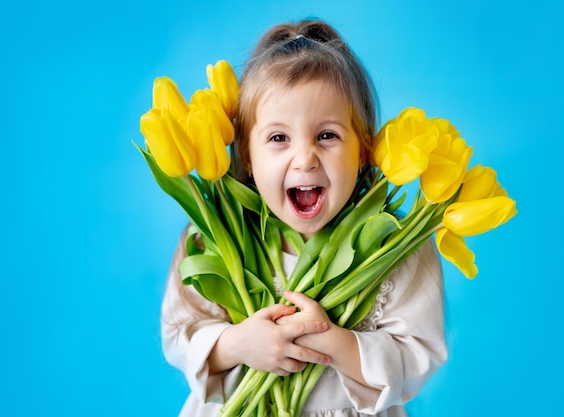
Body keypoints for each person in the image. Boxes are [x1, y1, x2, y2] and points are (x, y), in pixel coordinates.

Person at [161, 19, 447, 417]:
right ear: (246, 154)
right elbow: (180, 332)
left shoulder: (398, 248)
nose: (305, 157)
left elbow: (420, 353)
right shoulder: (210, 237)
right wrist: (238, 344)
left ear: (363, 149)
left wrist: (336, 343)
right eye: (279, 138)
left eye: (327, 135)